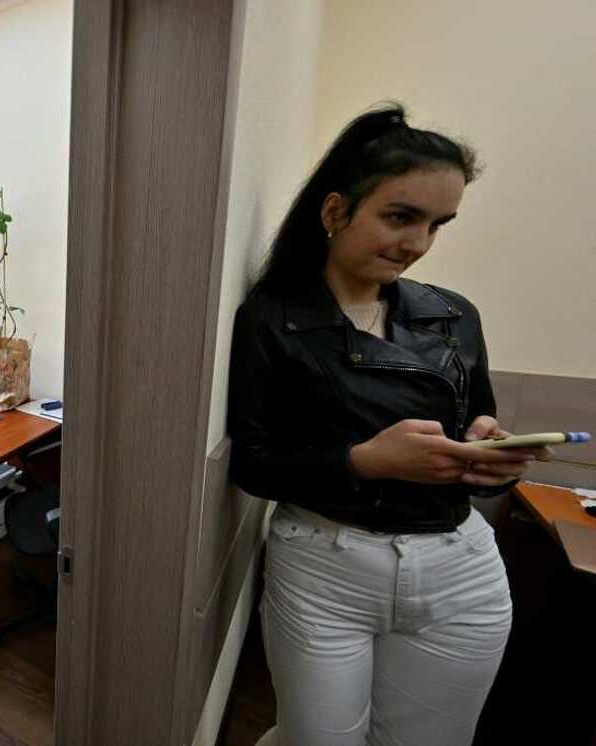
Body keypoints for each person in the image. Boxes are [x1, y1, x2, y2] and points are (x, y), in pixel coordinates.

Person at [226, 105, 553, 746]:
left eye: (437, 224)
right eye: (401, 217)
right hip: (326, 564)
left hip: (459, 566)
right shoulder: (273, 320)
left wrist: (490, 452)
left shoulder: (454, 315)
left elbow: (473, 429)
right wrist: (363, 461)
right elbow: (253, 463)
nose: (419, 244)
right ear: (334, 212)